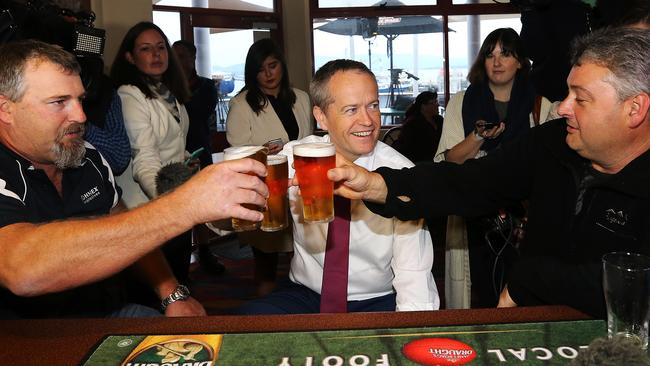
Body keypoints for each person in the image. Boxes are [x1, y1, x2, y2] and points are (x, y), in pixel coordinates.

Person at [326, 27, 650, 318]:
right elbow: (469, 181)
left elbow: (632, 285)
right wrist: (379, 184)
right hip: (538, 327)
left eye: (581, 98)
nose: (564, 107)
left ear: (634, 109)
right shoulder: (551, 143)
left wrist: (528, 279)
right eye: (567, 93)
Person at [0, 39, 269, 318]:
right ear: (5, 109)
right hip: (26, 334)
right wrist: (184, 205)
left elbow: (125, 229)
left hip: (107, 313)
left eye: (80, 100)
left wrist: (172, 293)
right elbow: (21, 268)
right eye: (59, 102)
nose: (80, 116)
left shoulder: (87, 156)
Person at [238, 59, 439, 314]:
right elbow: (227, 215)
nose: (367, 121)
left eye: (373, 106)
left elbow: (414, 271)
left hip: (376, 299)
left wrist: (412, 332)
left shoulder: (401, 174)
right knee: (245, 325)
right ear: (321, 117)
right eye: (351, 109)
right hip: (305, 293)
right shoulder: (291, 159)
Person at [434, 28, 554, 309]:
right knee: (474, 297)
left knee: (522, 295)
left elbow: (546, 168)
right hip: (473, 217)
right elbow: (448, 161)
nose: (497, 62)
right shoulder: (462, 102)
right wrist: (477, 137)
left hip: (522, 224)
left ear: (521, 62)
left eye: (506, 54)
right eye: (490, 54)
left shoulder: (540, 106)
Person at [226, 38, 312, 296]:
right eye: (260, 70)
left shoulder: (302, 99)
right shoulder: (241, 105)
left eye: (272, 66)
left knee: (306, 261)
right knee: (266, 265)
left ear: (282, 65)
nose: (268, 74)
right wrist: (262, 151)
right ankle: (266, 318)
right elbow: (236, 154)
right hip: (266, 191)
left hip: (299, 189)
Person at [110, 22, 194, 287]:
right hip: (148, 206)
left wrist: (189, 158)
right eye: (146, 49)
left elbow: (173, 142)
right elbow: (144, 159)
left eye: (160, 48)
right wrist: (168, 203)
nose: (156, 54)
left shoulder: (167, 91)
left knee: (179, 281)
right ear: (130, 57)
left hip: (175, 196)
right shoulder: (129, 94)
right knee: (159, 293)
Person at [172, 40, 225, 275]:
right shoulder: (167, 86)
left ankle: (205, 251)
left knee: (202, 203)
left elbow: (197, 111)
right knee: (178, 204)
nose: (179, 60)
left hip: (199, 150)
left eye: (183, 55)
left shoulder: (205, 86)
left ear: (193, 57)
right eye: (176, 56)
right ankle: (179, 257)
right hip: (174, 154)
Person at [392, 90, 443, 163]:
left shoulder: (439, 120)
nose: (437, 105)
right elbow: (409, 149)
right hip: (418, 162)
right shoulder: (413, 124)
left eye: (436, 102)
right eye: (433, 103)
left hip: (435, 160)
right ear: (423, 106)